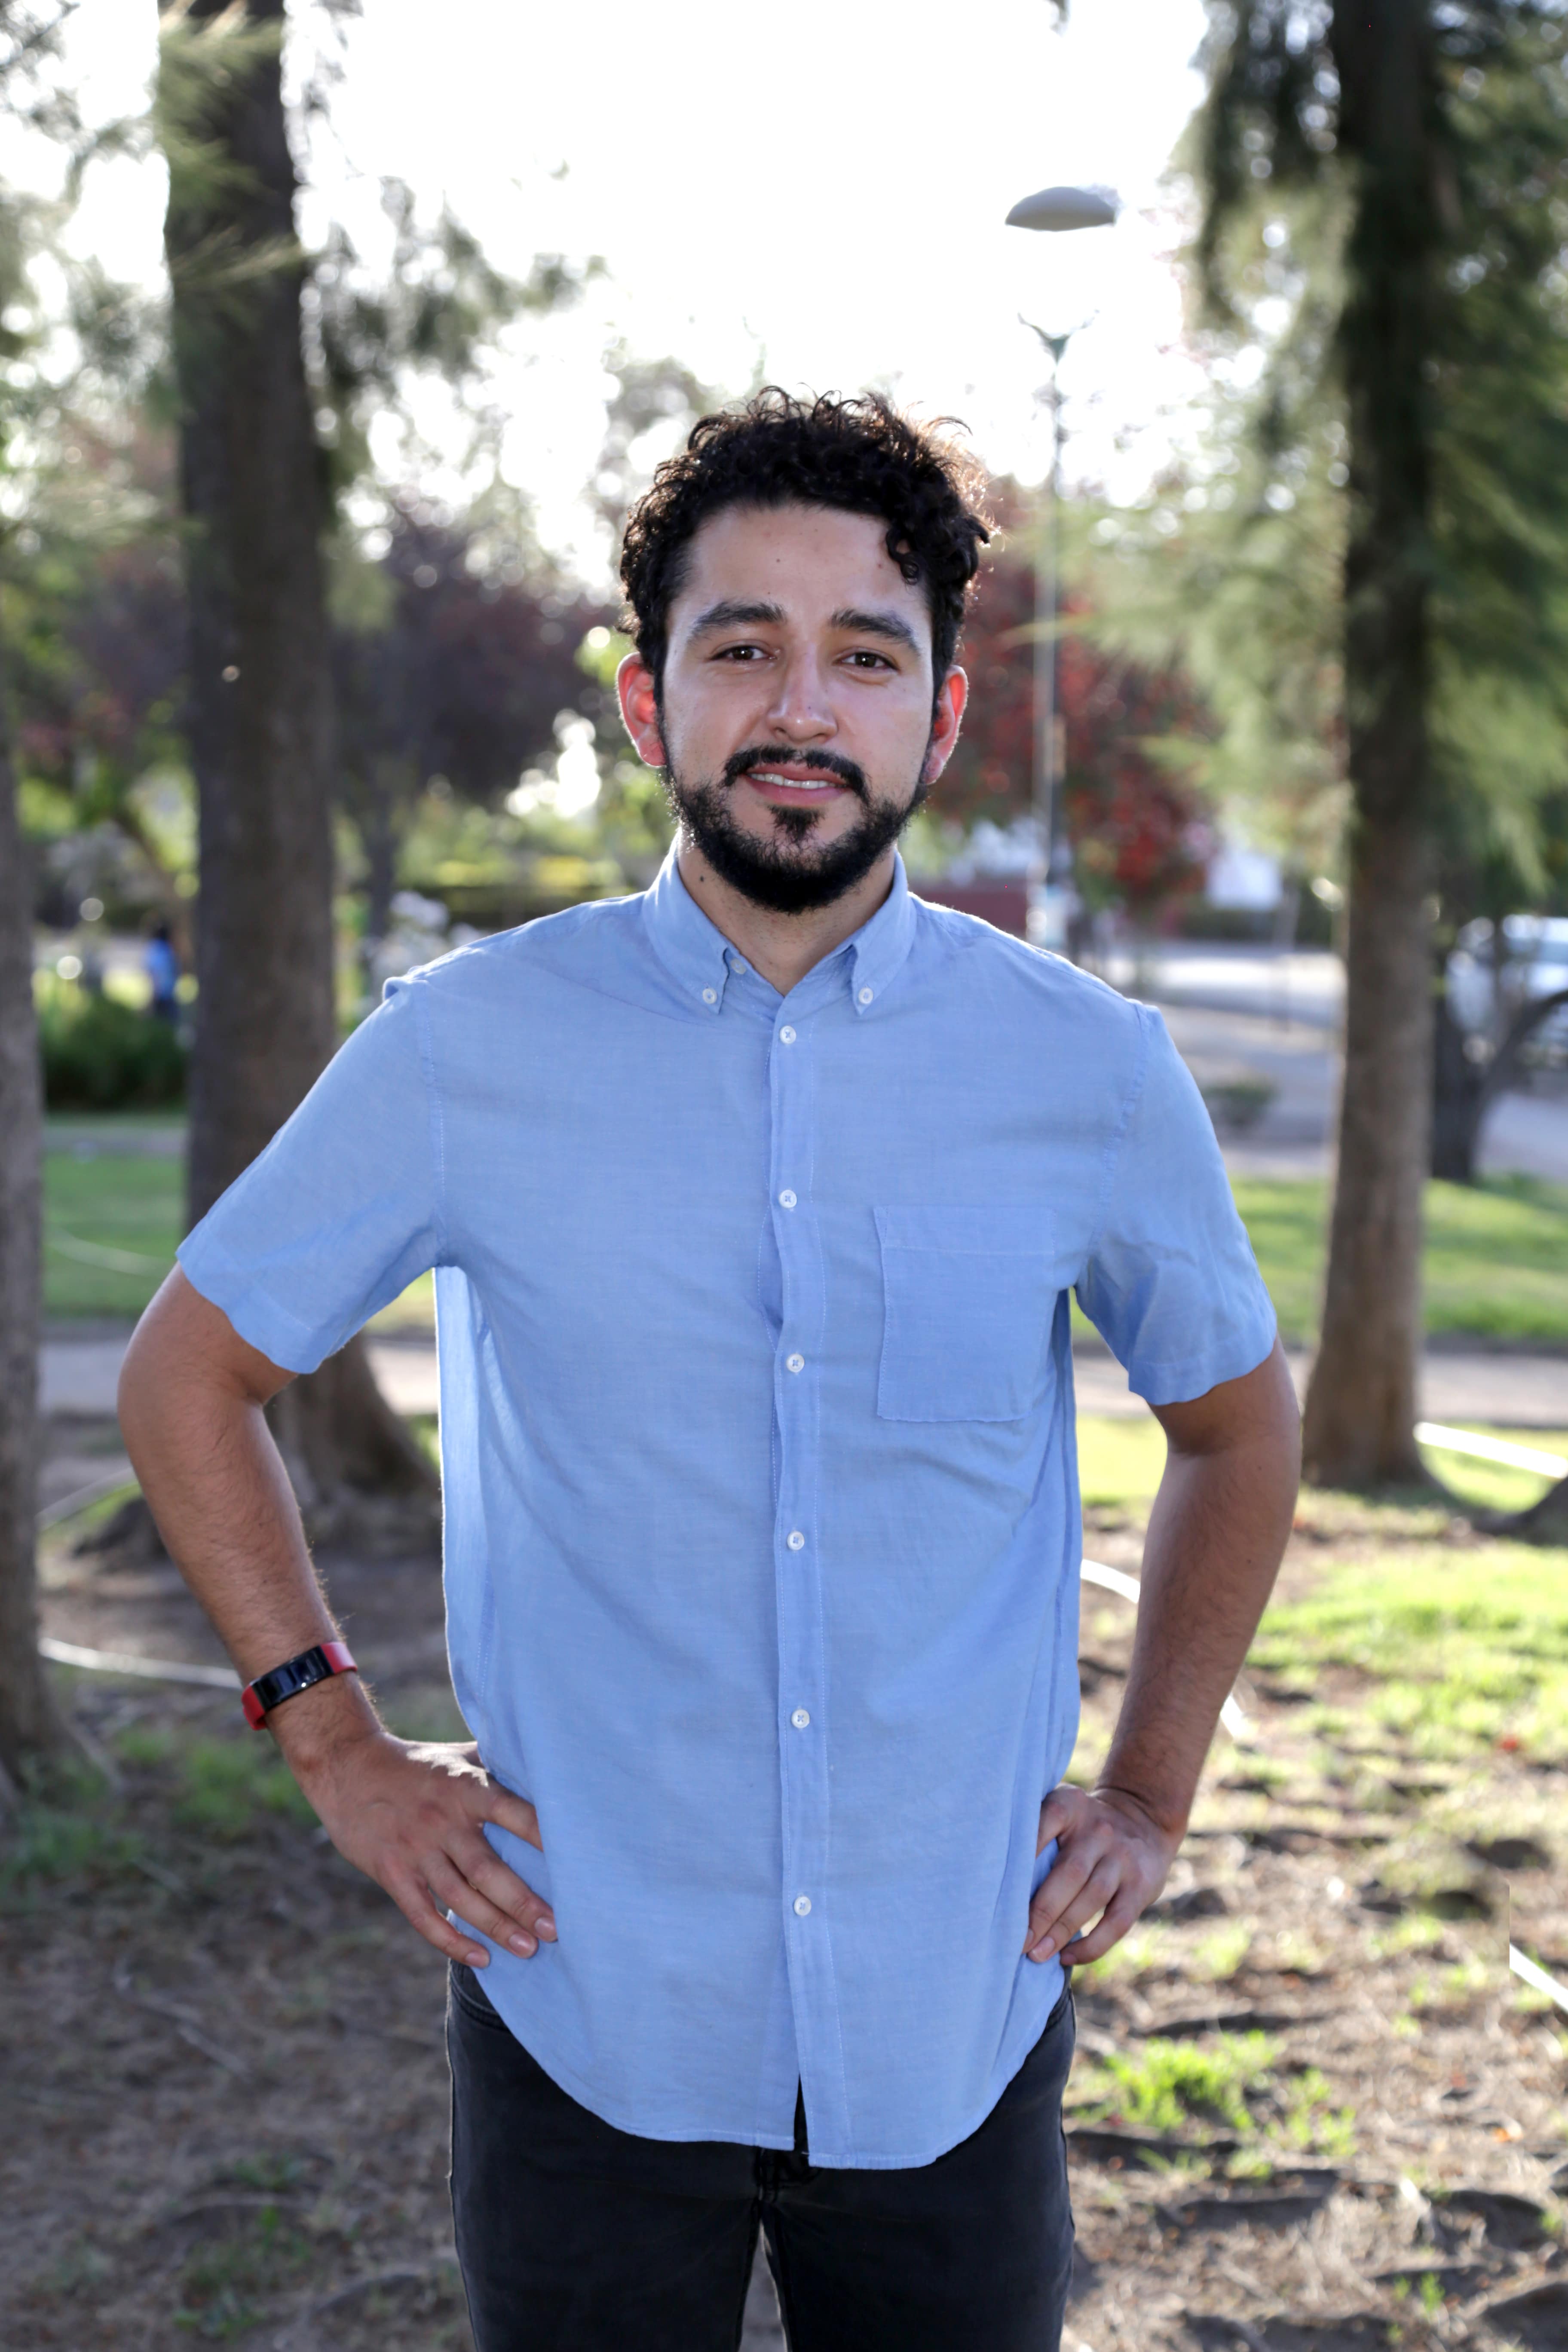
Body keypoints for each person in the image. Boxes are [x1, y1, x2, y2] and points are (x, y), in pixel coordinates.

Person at [118, 391, 1300, 2352]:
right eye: (740, 644)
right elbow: (186, 1375)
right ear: (643, 697)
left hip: (949, 2015)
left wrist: (1149, 1791)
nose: (799, 706)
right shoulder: (460, 1047)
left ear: (942, 715)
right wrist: (333, 1741)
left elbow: (1237, 1426)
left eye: (864, 655)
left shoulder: (1089, 1070)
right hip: (586, 2011)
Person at [144, 919, 181, 1022]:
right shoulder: (170, 950)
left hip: (159, 994)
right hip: (169, 993)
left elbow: (152, 972)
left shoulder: (154, 950)